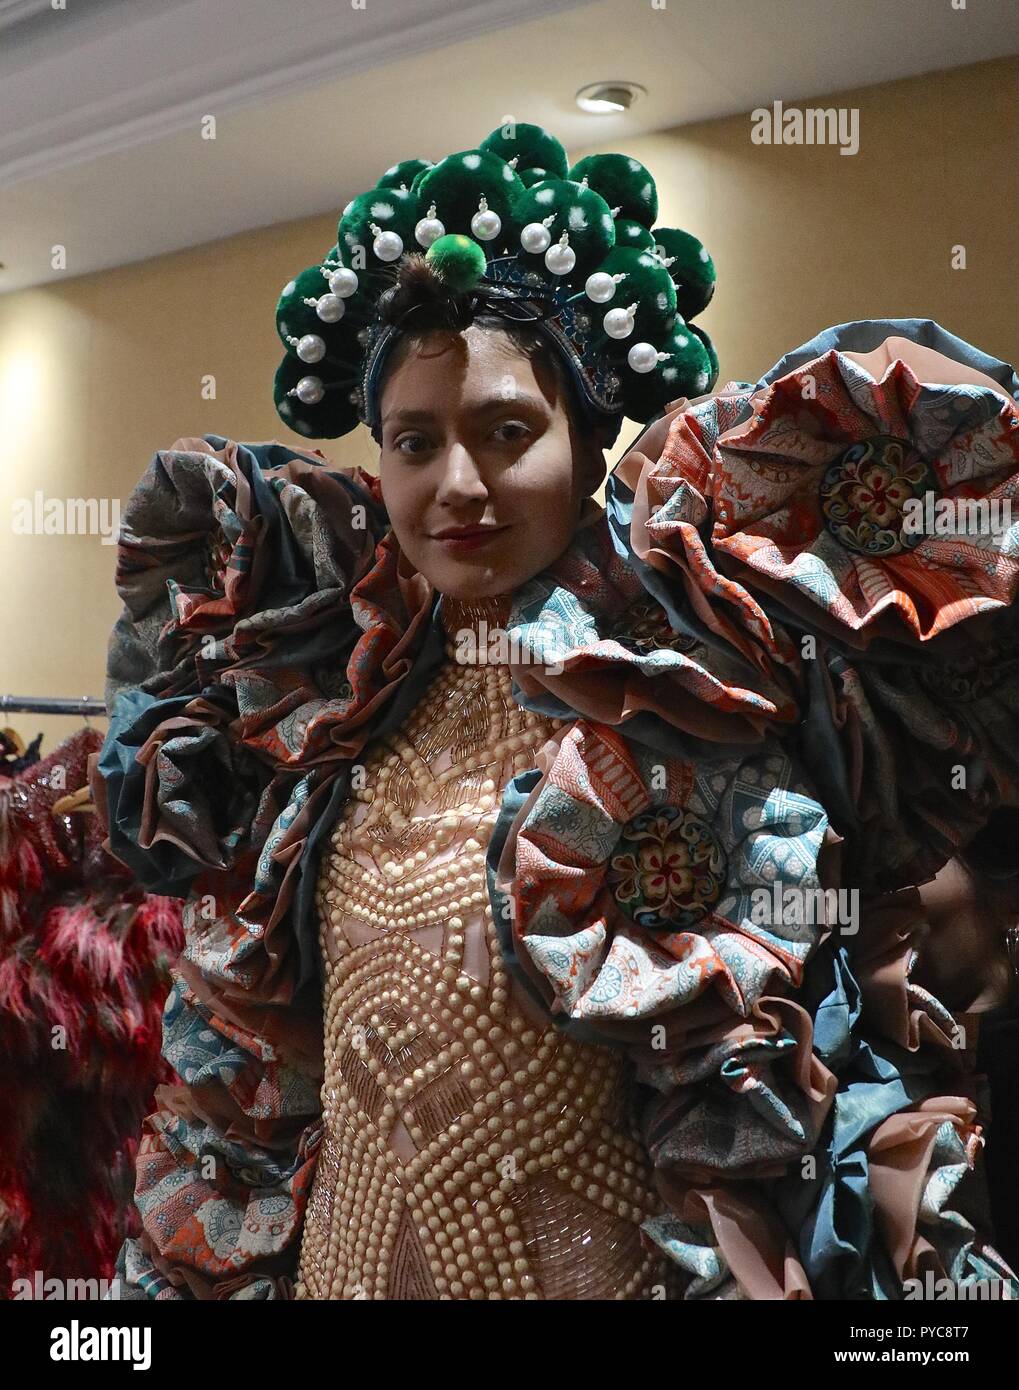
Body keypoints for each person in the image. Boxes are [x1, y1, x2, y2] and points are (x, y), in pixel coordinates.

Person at [91, 121, 1019, 1300]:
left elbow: (780, 1038)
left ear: (589, 448)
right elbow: (274, 1089)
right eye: (415, 442)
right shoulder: (336, 714)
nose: (458, 485)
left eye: (506, 431)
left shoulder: (705, 697)